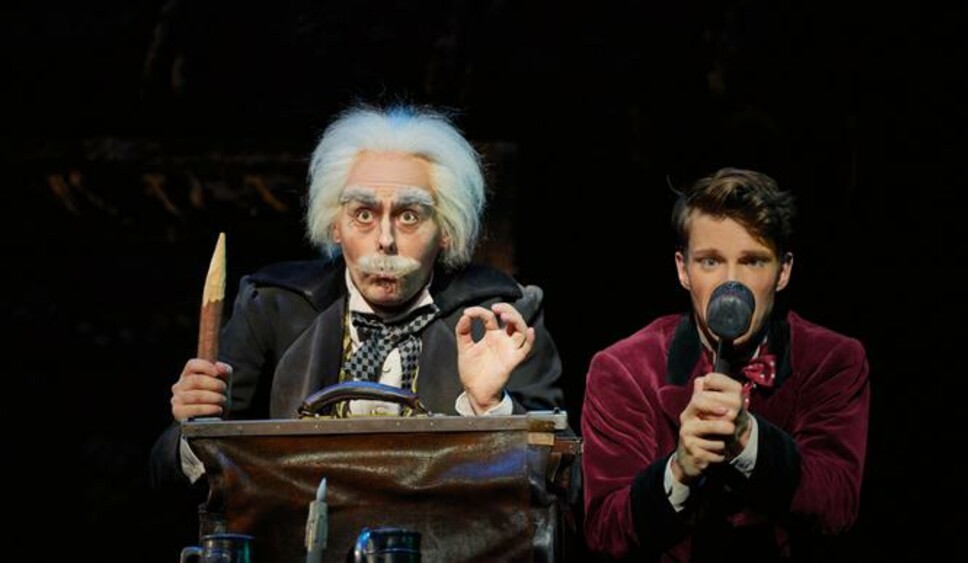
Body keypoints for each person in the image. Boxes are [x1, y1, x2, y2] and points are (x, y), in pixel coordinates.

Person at [151, 104, 564, 488]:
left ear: (446, 231)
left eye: (409, 216)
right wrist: (195, 431)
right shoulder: (272, 306)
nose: (384, 240)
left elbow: (560, 482)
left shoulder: (501, 316)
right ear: (335, 225)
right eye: (363, 215)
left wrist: (490, 408)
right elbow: (170, 481)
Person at [581, 168, 869, 561]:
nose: (731, 283)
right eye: (710, 261)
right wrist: (678, 471)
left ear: (783, 271)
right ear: (683, 269)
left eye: (753, 262)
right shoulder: (623, 368)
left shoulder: (832, 359)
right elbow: (604, 533)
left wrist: (748, 440)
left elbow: (837, 510)